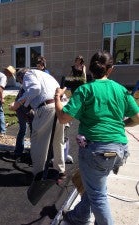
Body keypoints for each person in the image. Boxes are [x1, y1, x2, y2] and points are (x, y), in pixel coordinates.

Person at [55, 51, 139, 225]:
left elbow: (64, 117)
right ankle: (80, 216)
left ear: (91, 69)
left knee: (98, 195)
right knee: (95, 187)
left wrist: (57, 98)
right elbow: (137, 118)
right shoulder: (121, 89)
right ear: (111, 69)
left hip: (96, 151)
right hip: (119, 150)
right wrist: (122, 124)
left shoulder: (85, 90)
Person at [9, 68, 66, 180]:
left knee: (38, 142)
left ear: (21, 77)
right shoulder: (44, 75)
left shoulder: (28, 74)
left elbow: (35, 88)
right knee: (57, 140)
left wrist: (18, 103)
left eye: (21, 82)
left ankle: (38, 174)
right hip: (61, 105)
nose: (23, 85)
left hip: (47, 108)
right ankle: (60, 171)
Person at [3, 70, 33, 162]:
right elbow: (21, 99)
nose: (19, 81)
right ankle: (20, 152)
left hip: (26, 110)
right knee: (25, 130)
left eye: (19, 79)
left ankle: (30, 153)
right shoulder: (25, 86)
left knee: (29, 131)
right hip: (22, 110)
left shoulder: (27, 85)